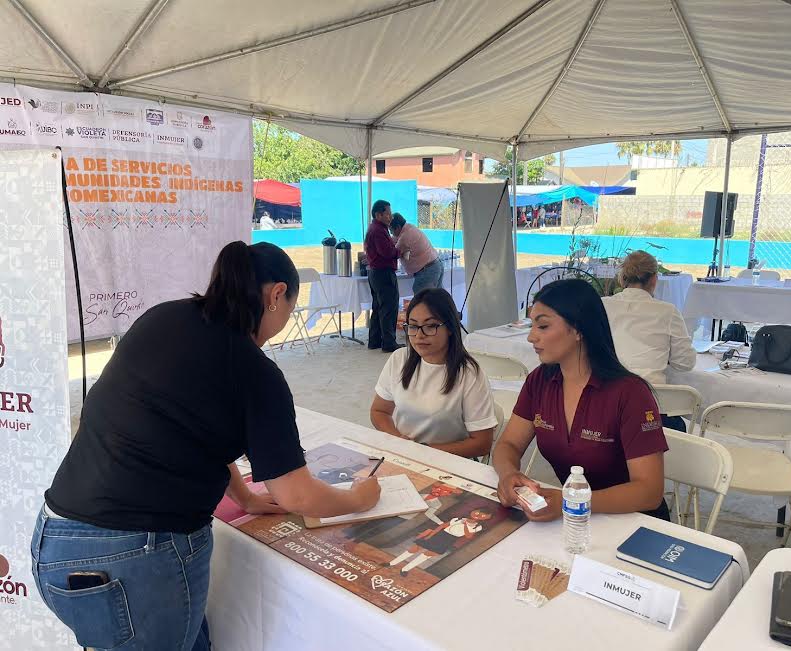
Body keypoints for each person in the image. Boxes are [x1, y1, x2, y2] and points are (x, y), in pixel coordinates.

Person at [32, 241, 380, 651]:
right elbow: (297, 494)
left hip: (54, 540)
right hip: (132, 557)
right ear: (276, 295)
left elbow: (191, 430)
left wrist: (245, 497)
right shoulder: (255, 371)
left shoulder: (164, 318)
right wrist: (358, 499)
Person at [492, 278, 669, 522]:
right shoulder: (540, 381)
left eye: (542, 326)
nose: (531, 337)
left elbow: (649, 492)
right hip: (577, 519)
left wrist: (574, 502)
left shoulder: (630, 393)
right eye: (531, 325)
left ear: (578, 330)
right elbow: (508, 445)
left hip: (634, 523)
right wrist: (509, 475)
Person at [371, 288, 498, 459]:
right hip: (404, 455)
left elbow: (482, 443)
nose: (419, 336)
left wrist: (424, 451)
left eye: (430, 326)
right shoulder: (399, 358)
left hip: (448, 462)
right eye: (413, 326)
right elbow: (379, 411)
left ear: (451, 327)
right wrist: (399, 440)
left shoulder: (469, 374)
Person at [603, 251, 696, 431]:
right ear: (654, 279)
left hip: (605, 402)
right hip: (650, 406)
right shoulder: (667, 311)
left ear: (622, 278)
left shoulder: (602, 305)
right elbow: (685, 363)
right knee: (679, 426)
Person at [364, 199, 403, 352]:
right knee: (389, 308)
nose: (390, 217)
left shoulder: (376, 228)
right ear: (378, 214)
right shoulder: (378, 231)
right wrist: (400, 250)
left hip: (376, 273)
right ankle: (389, 343)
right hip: (383, 272)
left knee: (379, 307)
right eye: (388, 214)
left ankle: (375, 340)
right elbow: (387, 252)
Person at [389, 212, 443, 293]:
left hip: (427, 271)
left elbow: (392, 254)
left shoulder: (405, 236)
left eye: (391, 230)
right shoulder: (408, 228)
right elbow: (393, 239)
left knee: (423, 300)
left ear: (398, 227)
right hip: (433, 266)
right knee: (435, 300)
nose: (391, 233)